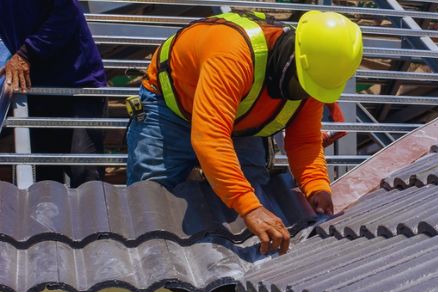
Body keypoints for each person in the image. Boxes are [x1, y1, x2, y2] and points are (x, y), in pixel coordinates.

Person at [126, 10, 362, 255]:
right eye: (302, 84)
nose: (306, 94)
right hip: (171, 108)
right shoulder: (233, 54)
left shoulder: (313, 75)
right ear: (292, 57)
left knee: (253, 190)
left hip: (238, 116)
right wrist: (249, 208)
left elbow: (304, 141)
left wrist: (317, 186)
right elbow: (211, 137)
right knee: (153, 200)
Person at [0, 0, 107, 186]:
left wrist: (26, 53)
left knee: (85, 173)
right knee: (46, 182)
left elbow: (66, 14)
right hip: (37, 90)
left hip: (79, 86)